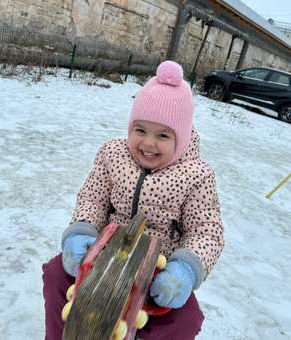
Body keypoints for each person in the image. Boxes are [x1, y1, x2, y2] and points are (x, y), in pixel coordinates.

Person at [42, 60, 224, 340]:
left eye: (163, 135)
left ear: (183, 138)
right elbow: (93, 198)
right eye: (140, 130)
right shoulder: (112, 154)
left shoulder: (196, 175)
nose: (148, 144)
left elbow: (205, 231)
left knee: (186, 320)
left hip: (157, 272)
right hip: (102, 258)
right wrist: (81, 233)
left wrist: (185, 269)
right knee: (56, 276)